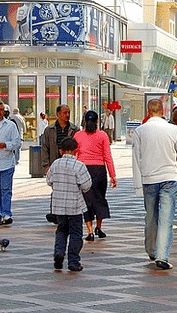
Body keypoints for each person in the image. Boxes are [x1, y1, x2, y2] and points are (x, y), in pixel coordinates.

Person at [131, 98, 177, 270]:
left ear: (147, 110)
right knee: (166, 218)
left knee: (150, 216)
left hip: (149, 179)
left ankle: (151, 249)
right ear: (163, 110)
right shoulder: (173, 130)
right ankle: (162, 255)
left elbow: (136, 158)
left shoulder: (140, 131)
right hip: (168, 178)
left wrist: (137, 185)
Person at [46, 137, 92, 272]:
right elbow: (86, 185)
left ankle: (59, 252)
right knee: (75, 234)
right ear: (75, 151)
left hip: (58, 206)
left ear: (61, 151)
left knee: (61, 230)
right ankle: (73, 261)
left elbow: (49, 181)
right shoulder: (79, 166)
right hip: (75, 207)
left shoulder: (55, 164)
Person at [73, 110, 117, 241]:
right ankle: (99, 227)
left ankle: (89, 231)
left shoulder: (78, 135)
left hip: (83, 169)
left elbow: (75, 155)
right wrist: (113, 175)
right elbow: (107, 156)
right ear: (98, 121)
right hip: (99, 171)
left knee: (86, 201)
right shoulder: (103, 135)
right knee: (99, 198)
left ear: (85, 121)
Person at [41, 105, 80, 222]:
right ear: (58, 114)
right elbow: (44, 147)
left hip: (70, 163)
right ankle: (55, 213)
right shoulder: (49, 130)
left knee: (70, 188)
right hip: (55, 163)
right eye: (64, 113)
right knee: (56, 188)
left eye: (68, 112)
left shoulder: (75, 129)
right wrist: (46, 165)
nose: (66, 115)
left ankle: (69, 213)